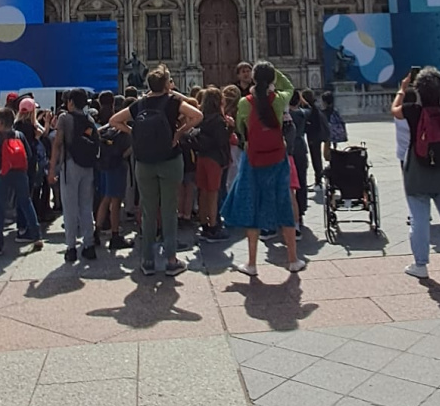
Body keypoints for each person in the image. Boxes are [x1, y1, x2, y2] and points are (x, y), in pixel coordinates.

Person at [110, 68, 202, 276]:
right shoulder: (173, 102)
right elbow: (197, 115)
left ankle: (147, 260)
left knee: (148, 211)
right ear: (167, 84)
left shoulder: (139, 104)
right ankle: (171, 260)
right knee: (169, 209)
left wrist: (133, 132)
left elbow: (114, 120)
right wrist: (178, 133)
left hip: (144, 162)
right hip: (169, 159)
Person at [222, 63, 304, 277]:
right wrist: (273, 71)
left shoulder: (244, 103)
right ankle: (293, 259)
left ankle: (251, 263)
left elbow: (241, 129)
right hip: (277, 157)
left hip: (253, 158)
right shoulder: (279, 100)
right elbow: (290, 87)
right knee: (284, 203)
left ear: (253, 78)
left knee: (252, 205)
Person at [392, 66, 440, 279]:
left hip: (419, 170)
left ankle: (421, 264)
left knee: (419, 219)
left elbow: (394, 109)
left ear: (418, 90)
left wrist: (402, 89)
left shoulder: (411, 111)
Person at [48, 88, 100, 264]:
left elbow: (57, 143)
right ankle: (89, 245)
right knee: (86, 206)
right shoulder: (89, 119)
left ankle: (71, 247)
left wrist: (52, 169)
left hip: (69, 164)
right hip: (87, 165)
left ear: (70, 102)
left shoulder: (64, 118)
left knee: (70, 207)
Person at [0, 106, 44, 259]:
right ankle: (37, 236)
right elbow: (29, 154)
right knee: (26, 203)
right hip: (20, 173)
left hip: (2, 174)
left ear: (0, 122)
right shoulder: (19, 135)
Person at [94, 91, 131, 251]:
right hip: (117, 166)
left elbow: (97, 133)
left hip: (105, 165)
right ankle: (115, 235)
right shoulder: (125, 128)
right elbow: (126, 152)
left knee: (106, 198)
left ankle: (96, 230)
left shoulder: (108, 125)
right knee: (116, 202)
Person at [193, 86, 231, 239]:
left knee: (203, 191)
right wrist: (230, 128)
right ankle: (213, 225)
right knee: (213, 192)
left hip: (202, 157)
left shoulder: (201, 117)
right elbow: (221, 141)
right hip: (214, 158)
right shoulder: (218, 120)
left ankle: (203, 224)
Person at [288, 90, 311, 223]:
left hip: (288, 148)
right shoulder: (303, 113)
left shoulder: (285, 114)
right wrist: (303, 101)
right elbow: (310, 109)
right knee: (302, 180)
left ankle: (289, 209)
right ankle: (301, 209)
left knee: (288, 182)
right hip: (301, 147)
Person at [302, 88, 328, 190]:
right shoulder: (314, 106)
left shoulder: (310, 109)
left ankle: (318, 181)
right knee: (316, 158)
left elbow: (311, 123)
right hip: (316, 135)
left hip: (313, 136)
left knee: (316, 158)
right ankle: (318, 179)